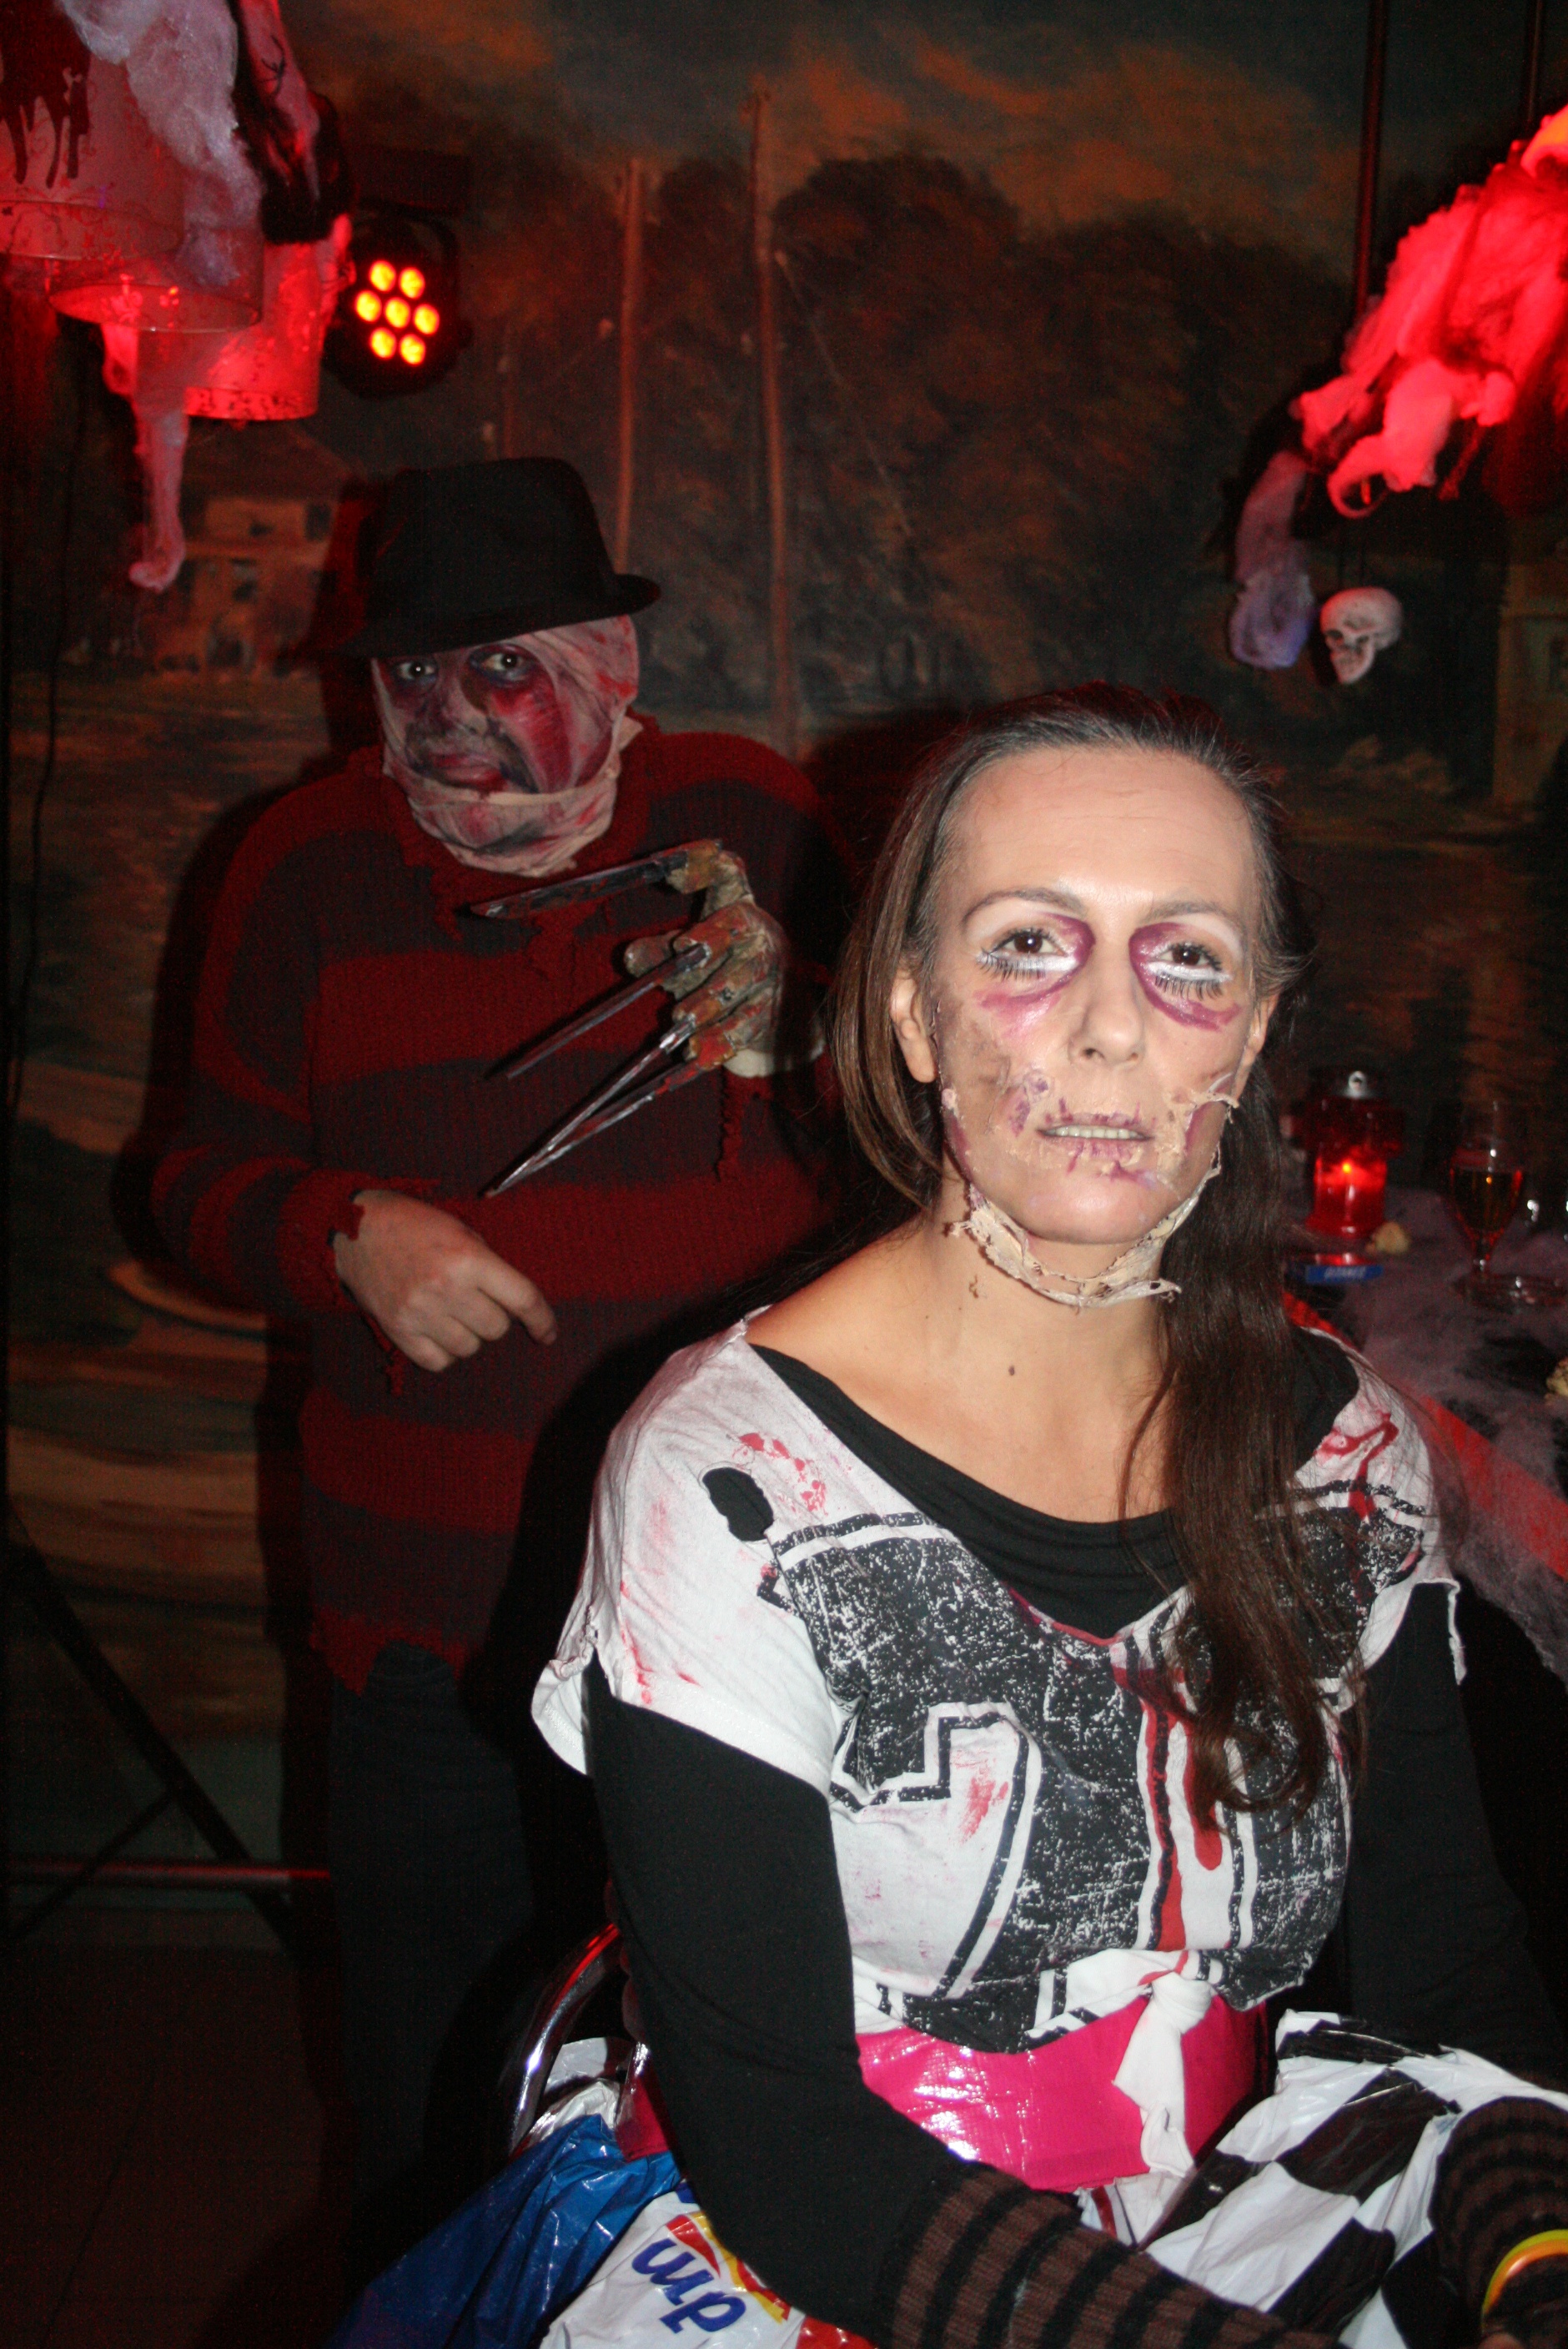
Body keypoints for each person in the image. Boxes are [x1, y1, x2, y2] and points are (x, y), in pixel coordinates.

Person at [534, 687, 1568, 2349]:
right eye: (1027, 944)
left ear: (1250, 1033)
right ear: (911, 1015)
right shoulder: (730, 1484)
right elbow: (781, 2138)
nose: (1109, 1030)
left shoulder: (1349, 1456)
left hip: (1226, 2236)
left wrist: (1538, 2258)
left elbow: (1451, 1979)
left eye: (1186, 960)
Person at [153, 456, 847, 2272]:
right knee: (434, 2111)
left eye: (505, 670)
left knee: (739, 2105)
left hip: (741, 1624)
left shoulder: (757, 824)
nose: (448, 718)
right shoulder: (301, 865)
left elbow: (924, 1138)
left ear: (616, 668)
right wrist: (340, 1230)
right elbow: (189, 1178)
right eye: (409, 675)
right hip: (430, 1633)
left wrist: (820, 1030)